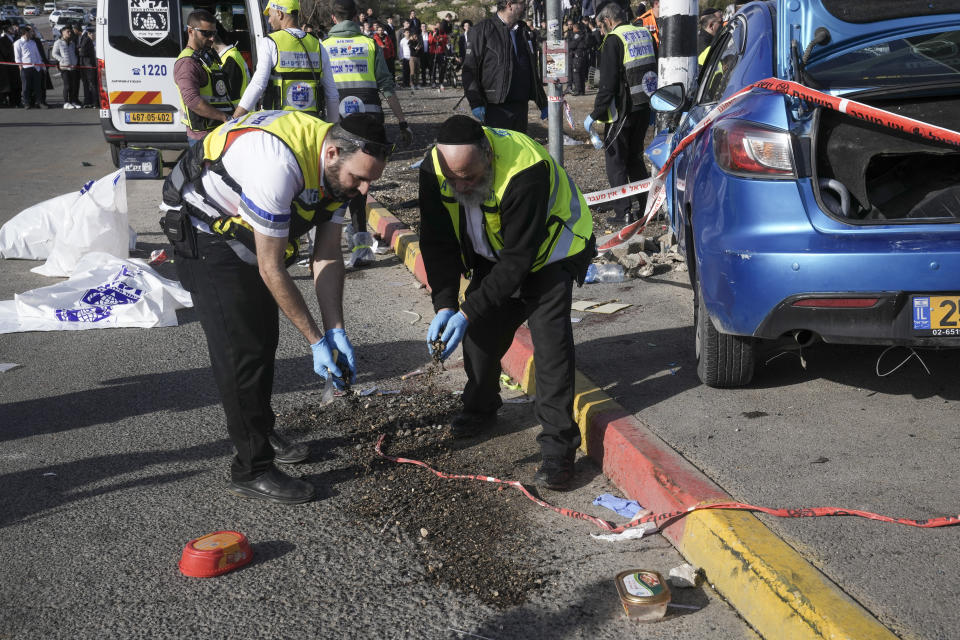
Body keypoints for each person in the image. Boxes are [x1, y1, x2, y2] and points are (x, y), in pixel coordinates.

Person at [160, 111, 392, 504]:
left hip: (243, 229)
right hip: (203, 231)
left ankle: (261, 430)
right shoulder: (278, 166)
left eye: (372, 180)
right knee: (242, 350)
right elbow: (271, 267)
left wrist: (336, 330)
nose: (364, 190)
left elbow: (328, 255)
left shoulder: (337, 169)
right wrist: (315, 339)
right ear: (332, 153)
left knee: (264, 336)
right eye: (360, 178)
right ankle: (251, 468)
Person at [419, 116, 595, 490]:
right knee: (480, 337)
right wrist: (446, 305)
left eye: (469, 176)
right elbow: (437, 241)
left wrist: (468, 310)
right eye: (454, 180)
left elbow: (519, 261)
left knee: (550, 350)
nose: (461, 186)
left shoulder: (525, 168)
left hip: (550, 254)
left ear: (488, 153)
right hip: (495, 254)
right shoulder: (434, 168)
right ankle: (481, 408)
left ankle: (558, 451)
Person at [323, 0, 412, 265]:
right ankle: (361, 247)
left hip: (336, 125)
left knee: (334, 183)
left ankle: (327, 249)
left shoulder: (323, 47)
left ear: (333, 18)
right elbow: (386, 86)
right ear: (356, 17)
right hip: (369, 126)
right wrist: (402, 122)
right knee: (360, 189)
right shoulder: (369, 44)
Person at [585, 1, 656, 225]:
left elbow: (608, 84)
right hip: (643, 107)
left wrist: (594, 114)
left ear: (607, 20)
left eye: (600, 26)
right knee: (635, 159)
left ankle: (623, 212)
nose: (600, 30)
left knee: (616, 163)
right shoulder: (643, 33)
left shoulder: (614, 40)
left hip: (622, 112)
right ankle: (647, 207)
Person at [233, 0, 336, 121]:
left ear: (279, 13)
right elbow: (332, 94)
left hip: (279, 123)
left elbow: (258, 84)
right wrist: (332, 127)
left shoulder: (270, 42)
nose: (269, 20)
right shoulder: (318, 45)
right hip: (311, 123)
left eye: (270, 16)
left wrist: (235, 118)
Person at [462, 0, 547, 133]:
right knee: (499, 151)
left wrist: (542, 102)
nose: (525, 6)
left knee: (519, 150)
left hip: (520, 105)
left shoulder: (524, 31)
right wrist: (476, 102)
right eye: (521, 3)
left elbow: (532, 69)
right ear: (509, 5)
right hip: (495, 107)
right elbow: (469, 69)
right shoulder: (482, 30)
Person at [174, 10, 231, 145]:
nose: (211, 38)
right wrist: (224, 117)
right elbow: (192, 100)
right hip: (202, 137)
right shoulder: (187, 63)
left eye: (214, 33)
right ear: (190, 31)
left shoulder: (205, 56)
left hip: (216, 131)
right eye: (206, 33)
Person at [213, 30, 251, 104]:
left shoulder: (230, 60)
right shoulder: (230, 56)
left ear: (212, 43)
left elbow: (229, 93)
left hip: (236, 111)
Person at [13, 26, 47, 109]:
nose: (31, 33)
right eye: (29, 32)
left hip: (36, 67)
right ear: (24, 33)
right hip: (25, 68)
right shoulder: (18, 43)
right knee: (26, 87)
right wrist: (21, 68)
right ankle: (26, 103)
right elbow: (17, 58)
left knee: (38, 86)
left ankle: (39, 102)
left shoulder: (33, 42)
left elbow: (37, 55)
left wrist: (42, 65)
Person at [51, 23, 81, 108]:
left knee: (73, 85)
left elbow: (74, 53)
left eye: (70, 32)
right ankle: (66, 103)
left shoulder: (72, 43)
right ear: (63, 32)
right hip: (64, 67)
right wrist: (62, 60)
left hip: (73, 67)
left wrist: (75, 61)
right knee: (67, 85)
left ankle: (72, 101)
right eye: (68, 32)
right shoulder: (58, 42)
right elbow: (54, 53)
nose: (70, 33)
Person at [0, 20, 22, 108]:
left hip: (16, 65)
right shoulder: (2, 40)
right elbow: (5, 53)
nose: (13, 29)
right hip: (8, 66)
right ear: (6, 29)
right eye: (11, 27)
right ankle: (11, 102)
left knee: (17, 84)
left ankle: (17, 101)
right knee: (10, 85)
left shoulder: (16, 38)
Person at [566, 21, 589, 95]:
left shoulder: (577, 35)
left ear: (575, 28)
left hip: (577, 56)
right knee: (581, 73)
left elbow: (572, 45)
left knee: (576, 73)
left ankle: (578, 90)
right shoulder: (583, 34)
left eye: (573, 28)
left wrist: (569, 44)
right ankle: (582, 91)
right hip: (582, 56)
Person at [77, 25, 96, 108]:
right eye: (93, 34)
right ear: (89, 33)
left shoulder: (86, 39)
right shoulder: (87, 40)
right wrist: (80, 50)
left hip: (87, 66)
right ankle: (93, 102)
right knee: (91, 84)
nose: (94, 36)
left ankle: (89, 101)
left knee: (89, 85)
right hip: (88, 66)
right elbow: (82, 52)